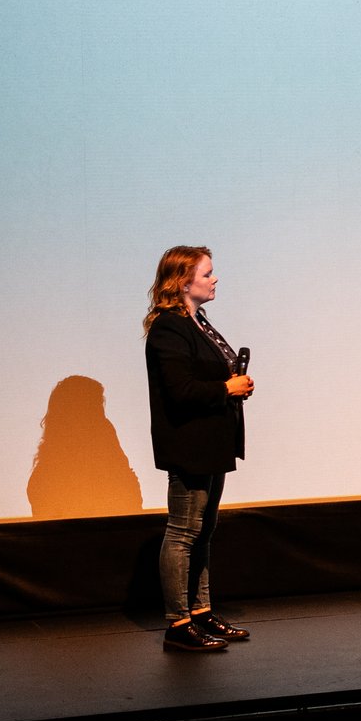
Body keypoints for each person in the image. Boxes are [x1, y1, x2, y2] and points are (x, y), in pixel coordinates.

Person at [144, 245, 254, 653]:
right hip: (189, 443)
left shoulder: (198, 322)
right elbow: (179, 390)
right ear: (182, 281)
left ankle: (202, 611)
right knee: (183, 532)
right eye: (207, 273)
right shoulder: (169, 328)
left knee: (204, 530)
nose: (215, 279)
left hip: (212, 440)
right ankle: (178, 622)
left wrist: (234, 386)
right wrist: (225, 387)